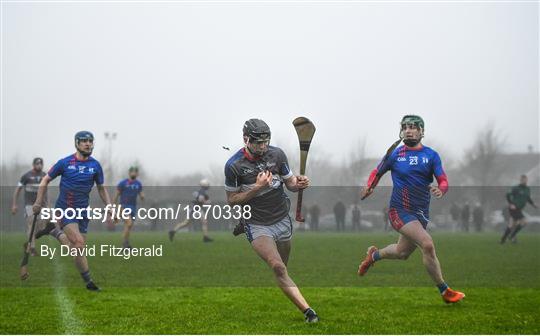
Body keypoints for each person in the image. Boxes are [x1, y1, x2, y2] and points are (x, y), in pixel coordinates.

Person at [357, 115, 465, 304]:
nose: (408, 130)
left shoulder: (431, 155)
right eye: (405, 127)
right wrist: (369, 185)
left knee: (401, 253)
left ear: (422, 132)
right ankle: (445, 291)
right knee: (428, 244)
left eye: (413, 127)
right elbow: (377, 172)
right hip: (399, 210)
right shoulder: (395, 154)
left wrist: (441, 189)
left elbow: (443, 179)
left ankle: (373, 255)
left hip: (420, 214)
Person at [224, 118, 318, 323]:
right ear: (246, 139)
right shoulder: (234, 166)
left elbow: (290, 184)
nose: (263, 146)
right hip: (257, 223)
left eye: (266, 141)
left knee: (283, 267)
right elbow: (232, 200)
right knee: (278, 267)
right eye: (258, 142)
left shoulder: (277, 155)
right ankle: (309, 312)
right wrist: (258, 188)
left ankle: (285, 282)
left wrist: (299, 183)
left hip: (281, 219)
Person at [33, 131, 112, 291]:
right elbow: (45, 180)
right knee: (78, 243)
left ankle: (54, 232)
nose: (88, 144)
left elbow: (101, 189)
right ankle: (90, 283)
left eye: (90, 141)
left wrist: (109, 206)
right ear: (77, 143)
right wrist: (38, 201)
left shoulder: (95, 166)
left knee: (77, 249)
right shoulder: (65, 163)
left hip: (83, 212)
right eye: (84, 141)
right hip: (65, 210)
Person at [11, 158, 47, 256]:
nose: (39, 165)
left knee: (42, 227)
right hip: (30, 205)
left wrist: (47, 205)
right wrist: (14, 204)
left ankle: (29, 242)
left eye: (41, 164)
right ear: (33, 165)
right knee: (31, 224)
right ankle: (32, 248)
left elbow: (45, 192)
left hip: (41, 205)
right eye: (37, 164)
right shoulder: (26, 176)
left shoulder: (45, 175)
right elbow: (17, 190)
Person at [500, 174, 537, 244]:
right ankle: (511, 236)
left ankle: (503, 240)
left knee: (511, 225)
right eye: (522, 180)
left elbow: (528, 198)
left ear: (527, 180)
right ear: (520, 180)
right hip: (514, 209)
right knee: (524, 221)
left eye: (525, 179)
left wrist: (533, 204)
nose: (524, 181)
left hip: (519, 209)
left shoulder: (527, 189)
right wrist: (511, 204)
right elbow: (507, 195)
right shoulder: (516, 188)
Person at [114, 166, 145, 248]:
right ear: (129, 173)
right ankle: (124, 244)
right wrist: (113, 207)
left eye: (135, 172)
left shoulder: (138, 184)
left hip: (133, 207)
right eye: (132, 172)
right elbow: (116, 195)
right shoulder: (123, 183)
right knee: (129, 223)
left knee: (128, 226)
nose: (134, 173)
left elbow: (141, 193)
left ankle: (126, 243)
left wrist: (142, 196)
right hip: (123, 207)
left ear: (137, 174)